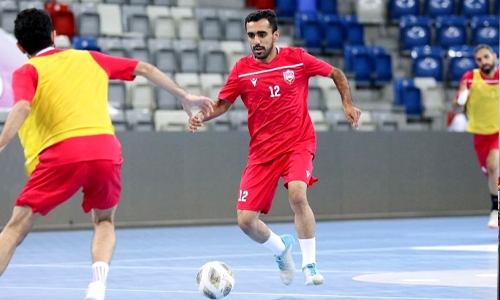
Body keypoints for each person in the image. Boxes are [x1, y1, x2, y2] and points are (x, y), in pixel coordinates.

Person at [0, 8, 214, 300]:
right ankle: (97, 287)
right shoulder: (88, 57)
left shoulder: (26, 71)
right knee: (104, 221)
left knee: (15, 228)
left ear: (20, 47)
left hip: (61, 155)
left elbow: (22, 107)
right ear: (54, 35)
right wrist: (184, 96)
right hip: (104, 150)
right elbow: (145, 69)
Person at [189, 9, 361, 286]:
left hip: (298, 142)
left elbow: (337, 74)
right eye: (251, 35)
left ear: (275, 35)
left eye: (261, 34)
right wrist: (202, 115)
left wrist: (347, 104)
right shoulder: (241, 70)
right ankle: (281, 249)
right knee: (245, 222)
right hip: (262, 152)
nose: (256, 40)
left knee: (297, 194)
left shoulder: (297, 59)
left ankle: (310, 264)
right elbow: (223, 103)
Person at [453, 44, 499, 229]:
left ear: (494, 56)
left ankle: (495, 210)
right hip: (480, 133)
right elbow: (456, 108)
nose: (484, 62)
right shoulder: (470, 79)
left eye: (486, 57)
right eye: (479, 59)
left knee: (493, 165)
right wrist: (463, 97)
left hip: (498, 130)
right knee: (489, 171)